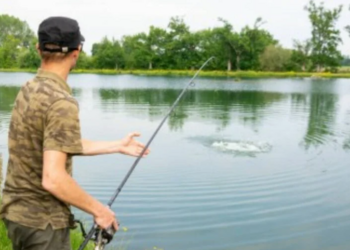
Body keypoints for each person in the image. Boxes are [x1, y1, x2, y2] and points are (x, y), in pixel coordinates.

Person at [0, 16, 150, 250]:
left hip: (17, 216)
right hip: (44, 224)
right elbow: (53, 178)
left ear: (38, 48)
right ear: (77, 51)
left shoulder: (29, 88)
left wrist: (116, 146)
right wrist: (100, 212)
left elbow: (55, 143)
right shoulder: (61, 101)